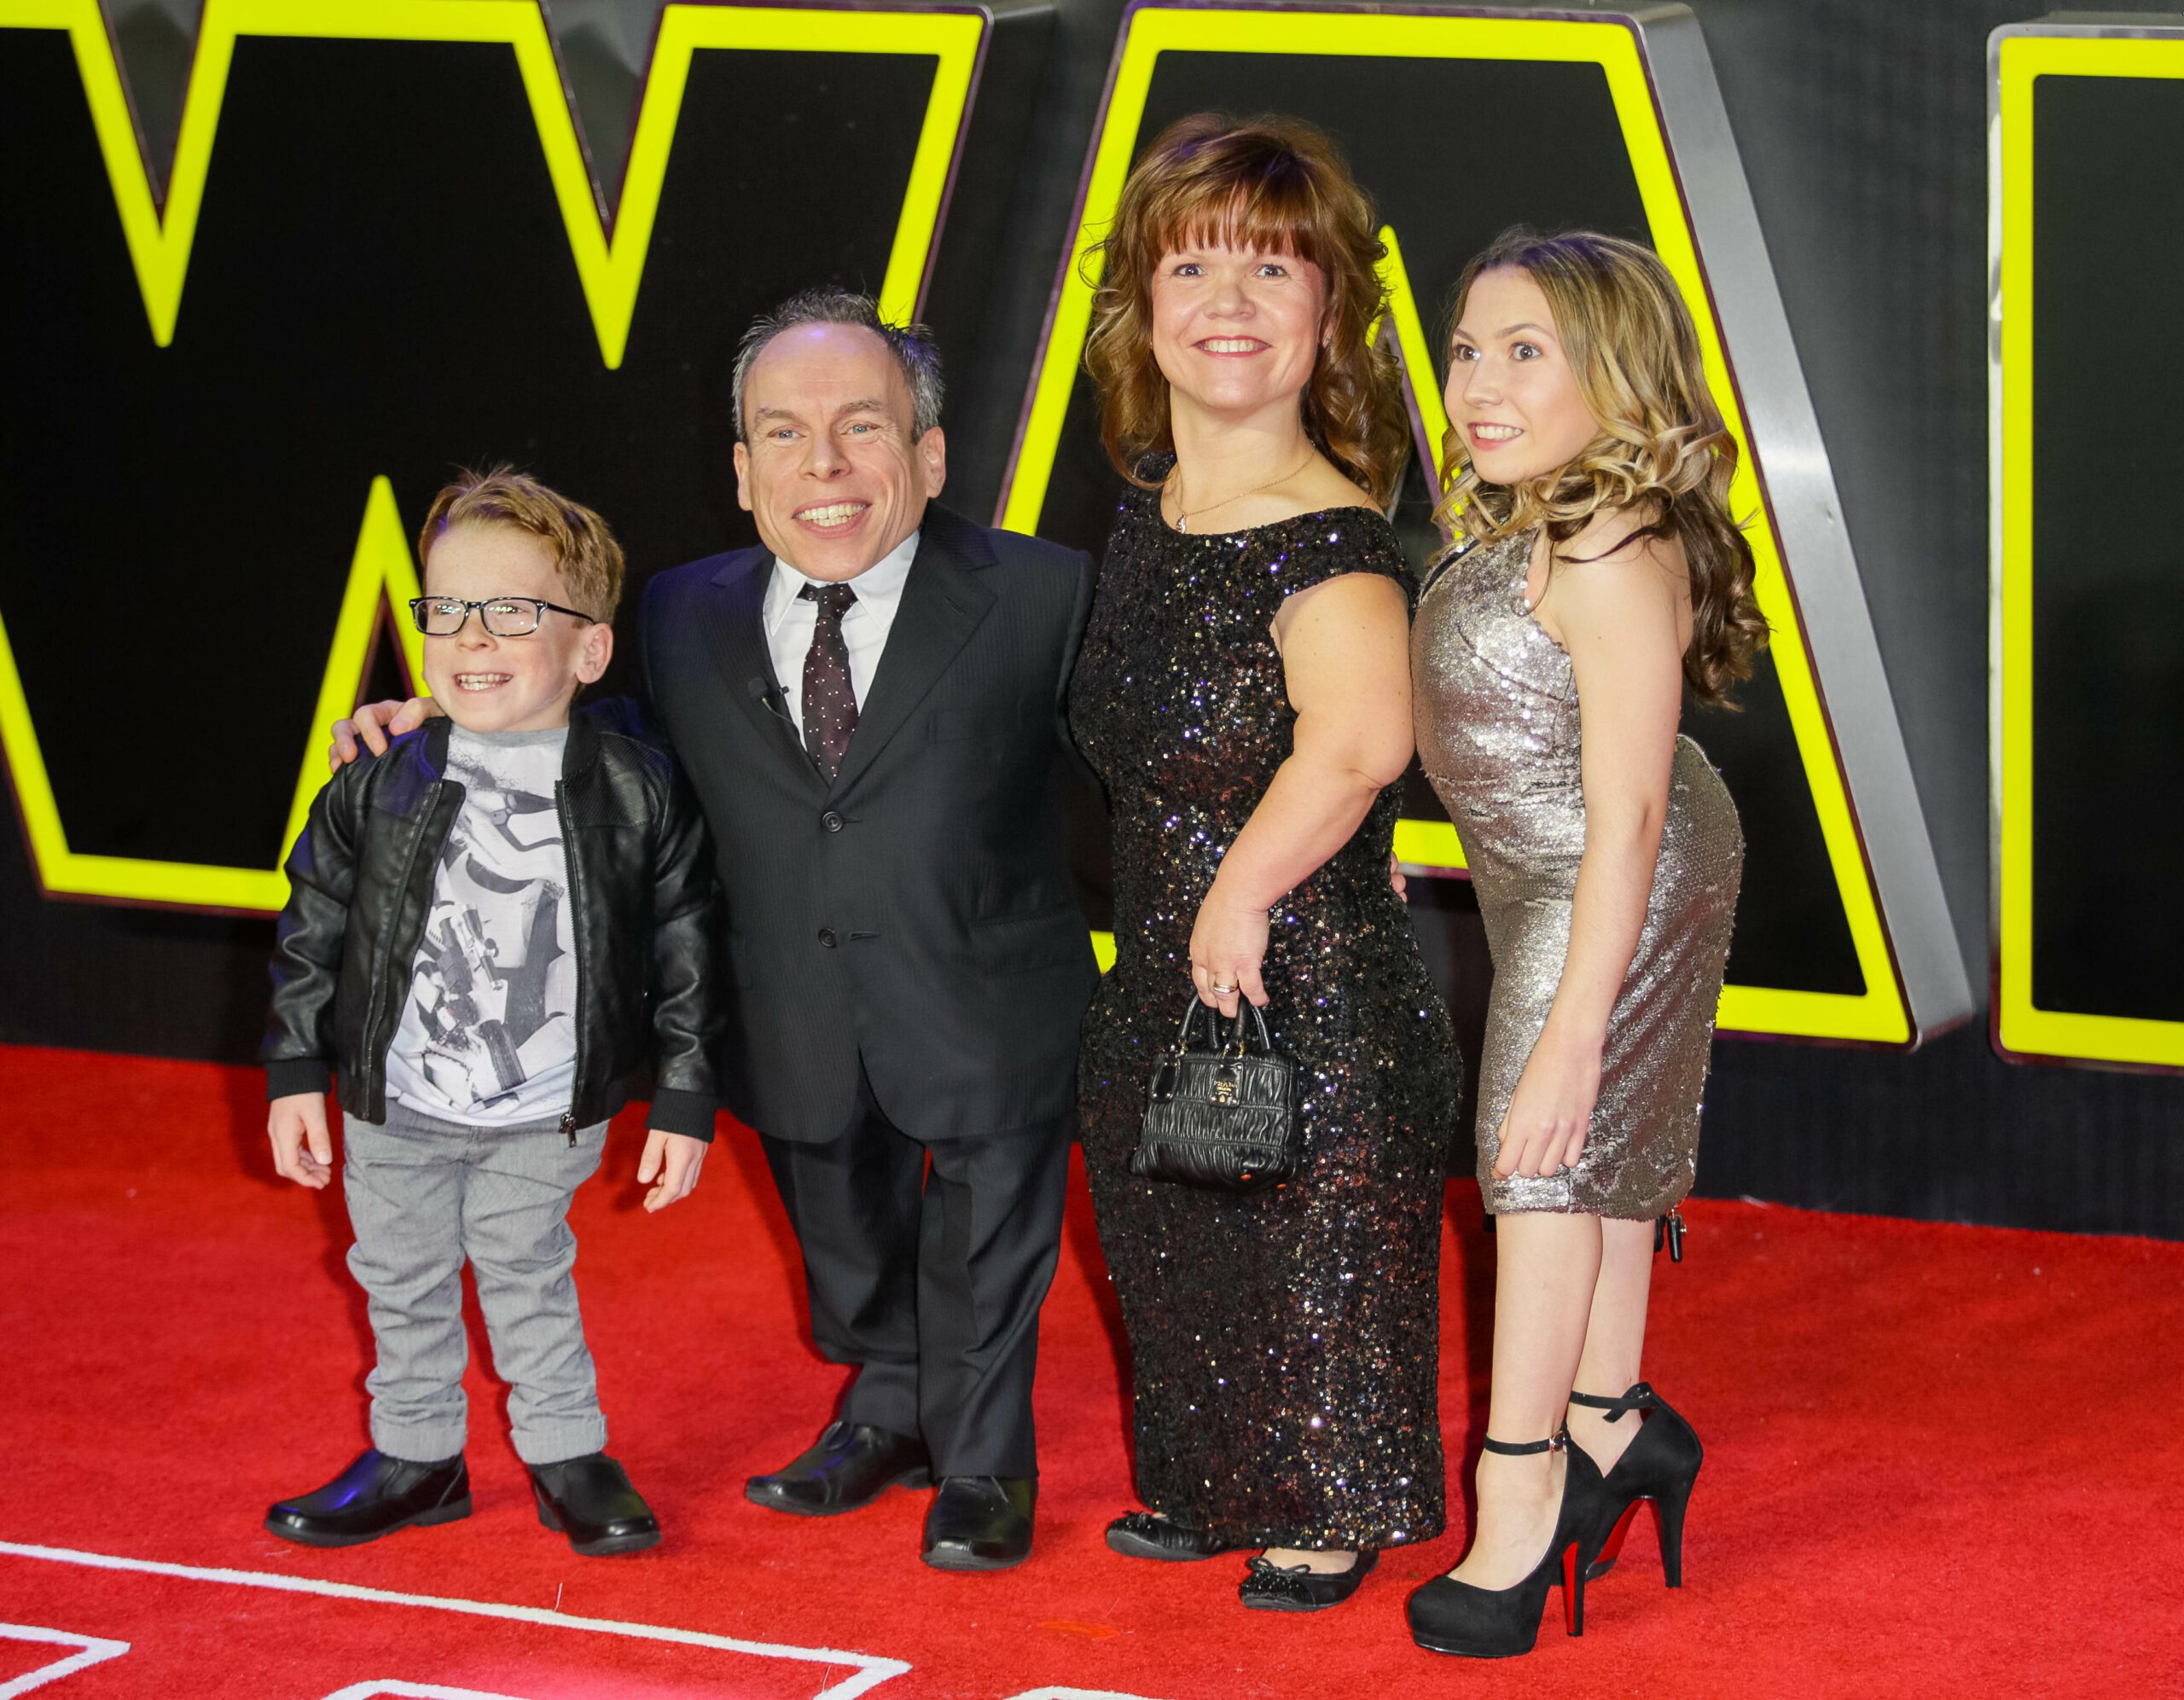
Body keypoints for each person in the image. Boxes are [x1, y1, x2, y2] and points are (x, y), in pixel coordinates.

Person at [336, 291, 1097, 1571]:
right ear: (742, 471)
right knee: (845, 1239)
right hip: (788, 998)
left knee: (982, 1234)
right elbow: (606, 748)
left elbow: (1147, 768)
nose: (827, 466)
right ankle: (890, 1401)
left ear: (931, 454)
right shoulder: (687, 611)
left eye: (863, 427)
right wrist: (442, 728)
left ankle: (983, 1460)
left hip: (987, 993)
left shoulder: (1041, 592)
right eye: (785, 435)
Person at [1067, 113, 1464, 1613]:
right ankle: (1207, 1473)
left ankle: (1326, 1493)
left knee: (1309, 1249)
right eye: (1192, 265)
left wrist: (1239, 889)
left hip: (1307, 979)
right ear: (1142, 307)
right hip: (1164, 966)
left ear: (1330, 317)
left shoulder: (1331, 543)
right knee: (1172, 1225)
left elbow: (1357, 745)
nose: (1227, 303)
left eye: (1272, 270)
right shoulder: (1150, 516)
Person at [1405, 229, 1764, 1657]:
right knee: (1594, 1156)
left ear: (1615, 376)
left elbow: (1621, 814)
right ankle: (1617, 1423)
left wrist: (1567, 1032)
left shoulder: (1606, 543)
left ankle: (1521, 1497)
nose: (1480, 383)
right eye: (1467, 349)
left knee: (1541, 1163)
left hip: (1611, 872)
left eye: (1525, 351)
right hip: (1552, 871)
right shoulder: (1532, 517)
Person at [262, 469, 723, 1558]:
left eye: (514, 611)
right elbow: (313, 924)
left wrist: (687, 1096)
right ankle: (417, 1457)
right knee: (398, 1271)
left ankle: (567, 1451)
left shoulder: (636, 786)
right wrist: (293, 1071)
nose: (473, 636)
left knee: (522, 1264)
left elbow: (687, 944)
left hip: (545, 1104)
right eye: (447, 609)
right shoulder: (378, 776)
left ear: (588, 649)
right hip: (396, 1098)